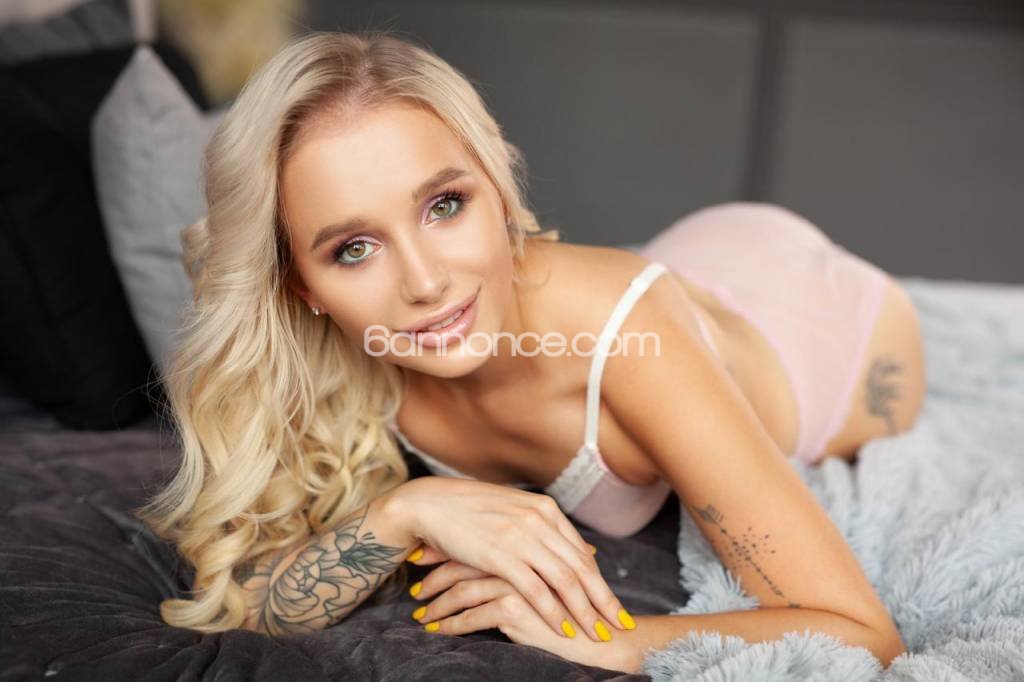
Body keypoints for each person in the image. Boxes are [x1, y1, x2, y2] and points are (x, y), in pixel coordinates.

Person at [136, 30, 924, 673]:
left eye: (446, 204)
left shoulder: (630, 342)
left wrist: (612, 640)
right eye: (354, 248)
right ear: (302, 285)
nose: (426, 282)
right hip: (686, 266)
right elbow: (253, 602)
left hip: (828, 325)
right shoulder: (326, 355)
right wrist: (406, 510)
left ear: (498, 184)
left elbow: (862, 632)